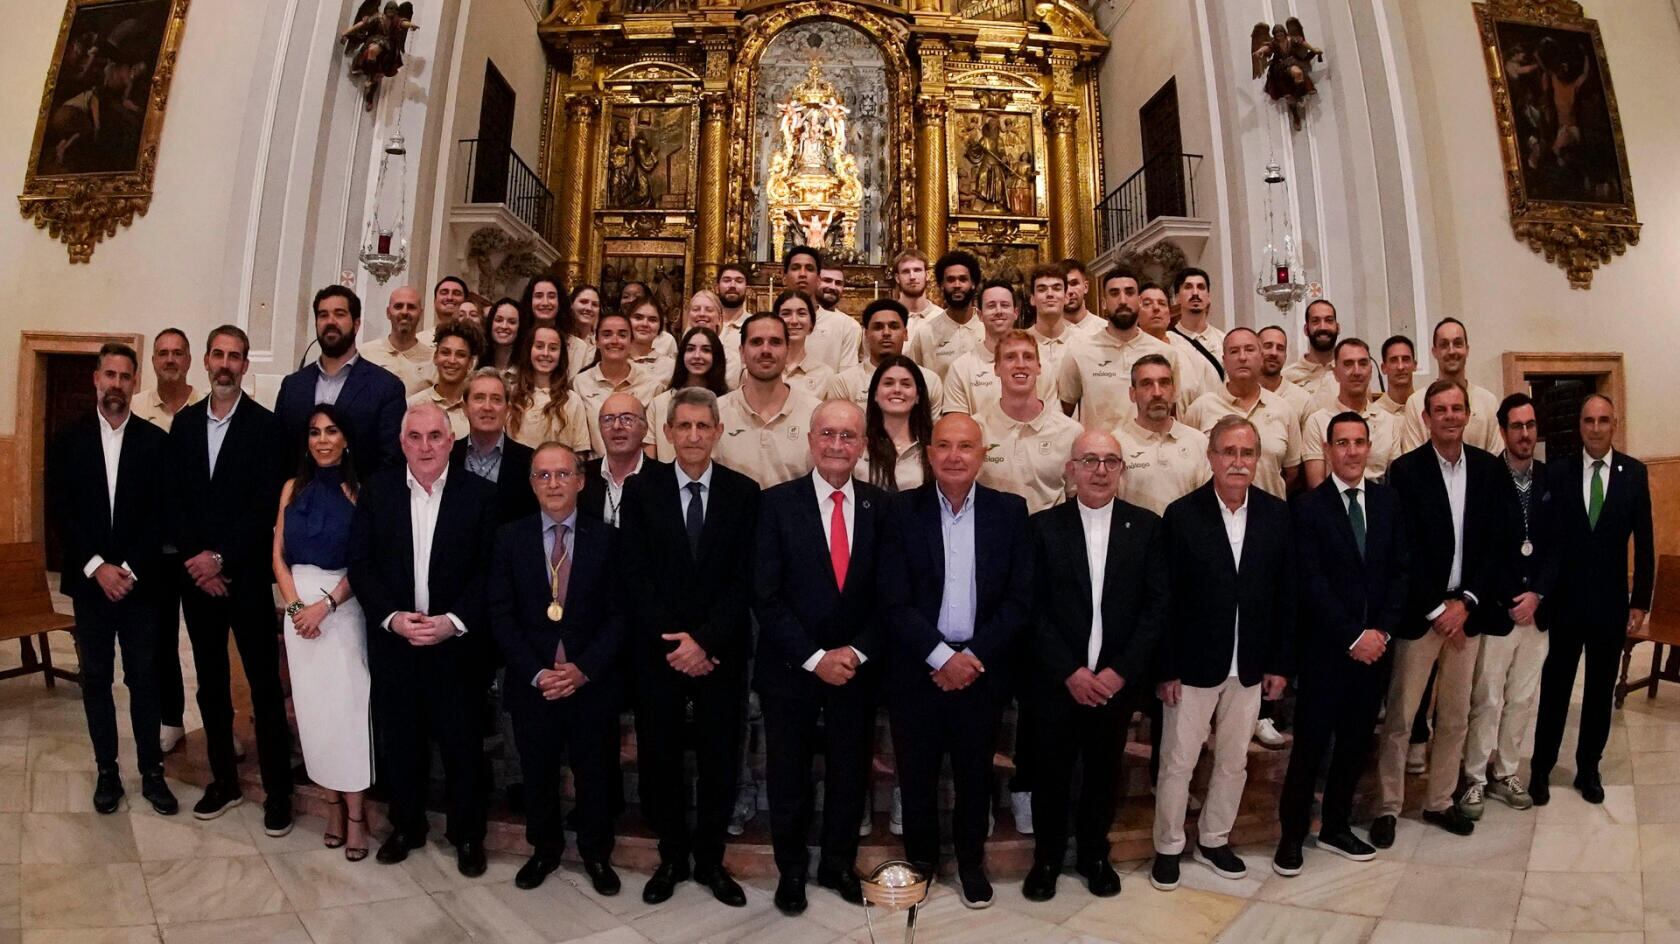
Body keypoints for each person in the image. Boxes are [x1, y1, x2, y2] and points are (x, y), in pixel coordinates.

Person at [880, 413, 1032, 909]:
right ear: (929, 454)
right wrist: (943, 657)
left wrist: (972, 658)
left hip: (981, 671)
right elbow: (893, 599)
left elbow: (1018, 601)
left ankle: (970, 864)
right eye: (943, 445)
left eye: (965, 446)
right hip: (918, 669)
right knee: (917, 775)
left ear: (982, 454)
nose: (953, 456)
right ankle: (921, 865)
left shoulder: (1010, 511)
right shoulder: (901, 511)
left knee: (974, 776)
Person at [618, 387, 760, 907]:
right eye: (685, 427)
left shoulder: (745, 493)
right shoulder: (641, 490)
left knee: (722, 758)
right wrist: (678, 642)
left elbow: (746, 579)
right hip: (660, 652)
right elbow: (634, 575)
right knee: (660, 757)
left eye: (704, 426)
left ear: (718, 432)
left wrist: (705, 641)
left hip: (720, 653)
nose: (695, 436)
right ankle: (672, 856)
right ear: (669, 432)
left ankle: (710, 859)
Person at [349, 402, 498, 876]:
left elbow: (489, 571)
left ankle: (467, 835)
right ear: (402, 442)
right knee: (401, 742)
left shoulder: (480, 496)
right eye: (415, 436)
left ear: (451, 441)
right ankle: (406, 826)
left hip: (457, 647)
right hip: (397, 644)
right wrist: (392, 618)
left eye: (435, 436)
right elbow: (362, 565)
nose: (426, 446)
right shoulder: (377, 491)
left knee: (462, 746)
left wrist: (453, 621)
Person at [1373, 379, 1520, 845]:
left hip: (1467, 612)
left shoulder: (1488, 470)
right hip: (1422, 615)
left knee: (1456, 716)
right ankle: (1389, 806)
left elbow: (1495, 543)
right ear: (1427, 417)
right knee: (1401, 717)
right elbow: (1403, 550)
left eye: (1458, 409)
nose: (1451, 417)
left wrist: (1468, 602)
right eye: (1441, 410)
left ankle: (1438, 801)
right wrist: (1437, 607)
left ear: (1468, 414)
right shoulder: (1405, 471)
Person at [1021, 431, 1167, 902]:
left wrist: (1118, 672)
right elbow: (1032, 608)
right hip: (1056, 682)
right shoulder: (1042, 528)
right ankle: (1046, 858)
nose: (1100, 470)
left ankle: (1093, 854)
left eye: (1110, 461)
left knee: (1104, 773)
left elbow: (1155, 608)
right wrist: (1070, 671)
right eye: (1090, 460)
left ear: (1122, 470)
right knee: (1051, 774)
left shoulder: (1147, 527)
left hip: (1115, 684)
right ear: (1072, 469)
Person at [1150, 416, 1293, 892]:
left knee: (1234, 760)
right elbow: (1164, 598)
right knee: (1178, 761)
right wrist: (1165, 667)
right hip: (1191, 665)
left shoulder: (1276, 514)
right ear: (1210, 457)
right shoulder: (1182, 514)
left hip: (1249, 663)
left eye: (1247, 452)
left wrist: (1278, 663)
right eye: (1228, 452)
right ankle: (1168, 846)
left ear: (1257, 460)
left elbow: (1282, 595)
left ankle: (1214, 839)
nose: (1237, 461)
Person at [755, 400, 884, 914]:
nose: (836, 445)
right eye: (827, 434)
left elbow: (889, 595)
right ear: (810, 440)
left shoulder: (881, 507)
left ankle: (836, 864)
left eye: (848, 436)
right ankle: (791, 870)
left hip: (857, 668)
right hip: (791, 668)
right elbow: (765, 595)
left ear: (862, 445)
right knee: (788, 773)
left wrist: (851, 652)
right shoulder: (775, 504)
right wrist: (814, 657)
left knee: (850, 773)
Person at [168, 325, 294, 832]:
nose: (225, 364)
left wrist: (221, 557)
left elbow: (266, 508)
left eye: (234, 357)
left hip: (242, 578)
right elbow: (174, 501)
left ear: (245, 366)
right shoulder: (184, 425)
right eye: (217, 355)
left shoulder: (267, 429)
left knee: (265, 687)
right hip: (198, 582)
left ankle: (279, 793)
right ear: (205, 361)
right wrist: (198, 563)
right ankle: (224, 780)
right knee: (212, 685)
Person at [45, 342, 178, 816]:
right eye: (109, 375)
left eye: (125, 377)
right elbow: (62, 513)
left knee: (144, 678)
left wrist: (130, 570)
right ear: (95, 380)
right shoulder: (68, 439)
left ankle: (152, 772)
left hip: (141, 586)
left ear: (134, 382)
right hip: (90, 585)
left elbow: (161, 517)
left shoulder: (155, 441)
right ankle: (107, 771)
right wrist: (95, 567)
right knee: (97, 678)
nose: (117, 385)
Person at [1273, 412, 1407, 877]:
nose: (1351, 451)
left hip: (1376, 652)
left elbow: (1399, 575)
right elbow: (1310, 583)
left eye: (1359, 442)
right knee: (1311, 745)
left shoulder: (1389, 503)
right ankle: (1292, 835)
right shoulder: (1307, 509)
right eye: (1342, 443)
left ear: (1370, 447)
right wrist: (1353, 635)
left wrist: (1382, 633)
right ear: (1328, 450)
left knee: (1354, 743)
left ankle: (1335, 825)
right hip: (1327, 651)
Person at [490, 443, 626, 895]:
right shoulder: (509, 539)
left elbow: (619, 615)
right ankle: (544, 848)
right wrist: (535, 671)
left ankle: (596, 853)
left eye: (562, 474)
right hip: (535, 683)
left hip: (590, 682)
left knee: (595, 773)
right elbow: (501, 615)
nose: (553, 484)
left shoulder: (606, 540)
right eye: (543, 475)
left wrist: (584, 669)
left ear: (581, 480)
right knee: (538, 771)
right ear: (531, 483)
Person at [1529, 394, 1654, 805]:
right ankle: (1541, 769)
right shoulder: (1558, 473)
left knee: (1599, 691)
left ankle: (1588, 769)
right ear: (1579, 426)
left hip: (1610, 604)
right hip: (1565, 603)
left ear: (1614, 424)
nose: (1596, 428)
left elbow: (1646, 543)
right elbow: (1548, 540)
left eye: (1603, 420)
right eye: (1588, 421)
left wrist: (1640, 603)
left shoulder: (1633, 473)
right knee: (1557, 688)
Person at [271, 405, 373, 861]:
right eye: (314, 432)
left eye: (332, 430)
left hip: (342, 611)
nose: (323, 439)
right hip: (298, 617)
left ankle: (356, 816)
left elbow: (366, 562)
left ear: (346, 438)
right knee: (312, 716)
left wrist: (325, 605)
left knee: (348, 715)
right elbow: (278, 557)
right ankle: (330, 807)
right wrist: (296, 608)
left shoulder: (358, 491)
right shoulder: (292, 488)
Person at [1460, 393, 1549, 818]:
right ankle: (1475, 776)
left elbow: (1559, 547)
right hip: (1497, 611)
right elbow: (1479, 549)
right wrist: (1505, 598)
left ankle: (1507, 770)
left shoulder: (1551, 480)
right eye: (1517, 426)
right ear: (1502, 430)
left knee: (1523, 698)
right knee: (1488, 699)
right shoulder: (1484, 479)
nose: (1525, 433)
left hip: (1537, 611)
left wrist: (1538, 595)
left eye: (1530, 425)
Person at [129, 327, 202, 755]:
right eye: (162, 353)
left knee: (209, 642)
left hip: (197, 550)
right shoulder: (137, 409)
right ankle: (170, 719)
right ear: (153, 362)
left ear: (190, 360)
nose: (170, 359)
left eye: (177, 352)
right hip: (153, 550)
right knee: (159, 641)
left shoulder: (208, 407)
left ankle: (218, 726)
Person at [276, 285, 407, 480]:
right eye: (323, 315)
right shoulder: (293, 386)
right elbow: (279, 454)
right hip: (300, 503)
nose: (330, 322)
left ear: (356, 324)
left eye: (339, 314)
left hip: (360, 504)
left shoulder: (386, 387)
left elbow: (391, 461)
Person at [1183, 328, 1303, 499]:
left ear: (1261, 357)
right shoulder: (1200, 408)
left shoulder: (1283, 409)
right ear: (1224, 360)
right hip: (1212, 516)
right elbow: (1190, 467)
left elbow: (1292, 472)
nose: (1242, 357)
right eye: (1234, 351)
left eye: (1249, 349)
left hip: (1269, 516)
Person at [975, 329, 1083, 514]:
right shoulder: (976, 429)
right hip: (994, 538)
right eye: (1010, 357)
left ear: (1039, 367)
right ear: (996, 368)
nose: (1020, 364)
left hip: (1049, 539)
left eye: (1028, 357)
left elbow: (1076, 497)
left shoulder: (1070, 432)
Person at [1059, 275, 1182, 431]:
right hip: (1100, 453)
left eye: (1129, 292)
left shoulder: (1166, 353)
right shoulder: (1079, 352)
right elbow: (1063, 416)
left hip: (1152, 451)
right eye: (1114, 293)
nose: (1123, 300)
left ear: (1139, 301)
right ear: (1103, 303)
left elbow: (1171, 414)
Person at [714, 312, 823, 488]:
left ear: (788, 350)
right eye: (756, 342)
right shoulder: (716, 413)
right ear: (742, 352)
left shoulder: (815, 413)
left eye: (775, 342)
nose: (765, 350)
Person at [1113, 354, 1211, 517]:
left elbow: (1208, 505)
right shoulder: (1116, 443)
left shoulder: (1198, 442)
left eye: (1164, 383)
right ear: (1132, 393)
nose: (1157, 393)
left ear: (1173, 390)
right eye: (1147, 384)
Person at [946, 281, 1055, 416]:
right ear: (980, 315)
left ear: (1015, 312)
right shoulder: (960, 368)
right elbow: (957, 426)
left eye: (1005, 305)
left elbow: (1053, 422)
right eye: (991, 306)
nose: (999, 311)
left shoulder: (1042, 365)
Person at [1301, 338, 1400, 486]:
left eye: (1363, 363)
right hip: (1331, 505)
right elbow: (1316, 486)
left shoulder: (1389, 422)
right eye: (1348, 364)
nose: (1357, 371)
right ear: (1335, 373)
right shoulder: (1317, 422)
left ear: (1371, 370)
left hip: (1379, 504)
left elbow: (1395, 481)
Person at [1399, 318, 1504, 453]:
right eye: (1444, 345)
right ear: (1434, 352)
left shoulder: (1488, 402)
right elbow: (1412, 464)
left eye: (1458, 344)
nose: (1451, 351)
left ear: (1467, 349)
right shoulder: (1416, 403)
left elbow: (1495, 463)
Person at [827, 299, 944, 415]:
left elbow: (932, 430)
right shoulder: (843, 383)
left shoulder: (929, 380)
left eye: (894, 326)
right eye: (878, 327)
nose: (886, 333)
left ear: (905, 334)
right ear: (866, 335)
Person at [452, 368, 538, 524]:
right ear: (464, 408)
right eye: (479, 398)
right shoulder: (448, 456)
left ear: (507, 409)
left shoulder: (529, 461)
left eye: (496, 399)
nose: (487, 407)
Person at [575, 312, 665, 455]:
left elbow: (653, 441)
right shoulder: (580, 383)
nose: (615, 340)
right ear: (596, 341)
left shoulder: (652, 386)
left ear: (631, 341)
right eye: (607, 334)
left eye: (622, 335)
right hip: (594, 470)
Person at [646, 326, 729, 461]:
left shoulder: (728, 403)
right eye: (690, 349)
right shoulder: (660, 403)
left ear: (716, 356)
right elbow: (650, 461)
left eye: (706, 350)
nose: (697, 356)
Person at [509, 324, 591, 454]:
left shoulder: (572, 400)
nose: (545, 353)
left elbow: (579, 453)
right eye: (539, 347)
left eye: (553, 348)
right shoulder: (512, 397)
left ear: (561, 355)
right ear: (529, 351)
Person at [581, 392, 661, 525]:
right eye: (608, 419)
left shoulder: (663, 479)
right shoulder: (582, 476)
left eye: (627, 419)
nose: (617, 426)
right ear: (599, 428)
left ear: (645, 428)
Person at [858, 354, 935, 492]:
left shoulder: (933, 446)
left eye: (906, 384)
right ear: (875, 394)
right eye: (888, 383)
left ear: (918, 396)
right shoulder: (859, 444)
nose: (897, 390)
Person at [905, 250, 985, 379]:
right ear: (941, 285)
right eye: (950, 280)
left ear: (973, 284)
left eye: (963, 279)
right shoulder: (926, 334)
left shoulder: (988, 328)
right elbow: (914, 380)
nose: (957, 285)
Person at [407, 321, 481, 438]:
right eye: (445, 352)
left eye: (460, 355)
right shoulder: (413, 405)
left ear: (470, 363)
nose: (452, 360)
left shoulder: (479, 409)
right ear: (435, 357)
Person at [361, 286, 437, 396]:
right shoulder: (365, 354)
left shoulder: (434, 359)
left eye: (411, 307)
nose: (405, 312)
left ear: (420, 313)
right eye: (398, 306)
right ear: (388, 312)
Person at [772, 288, 837, 399]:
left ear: (811, 324)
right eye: (786, 314)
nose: (794, 321)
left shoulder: (825, 375)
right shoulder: (762, 368)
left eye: (801, 314)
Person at [1024, 264, 1074, 391]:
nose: (1050, 294)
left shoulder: (1084, 342)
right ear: (1032, 299)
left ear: (1067, 297)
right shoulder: (1020, 343)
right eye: (1042, 289)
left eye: (1057, 288)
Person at [1168, 268, 1225, 379]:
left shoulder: (1223, 340)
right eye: (1188, 287)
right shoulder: (1167, 340)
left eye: (1201, 287)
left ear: (1208, 296)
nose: (1195, 293)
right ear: (1177, 297)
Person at [1281, 298, 1340, 399]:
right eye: (1315, 321)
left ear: (1338, 328)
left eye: (1329, 320)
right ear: (1306, 330)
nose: (1323, 327)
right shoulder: (1287, 377)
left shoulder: (1351, 373)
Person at [808, 263, 863, 372]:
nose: (833, 287)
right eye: (827, 280)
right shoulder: (798, 319)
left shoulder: (851, 326)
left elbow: (847, 374)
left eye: (838, 283)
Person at [682, 290, 740, 386]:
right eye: (696, 309)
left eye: (709, 310)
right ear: (688, 315)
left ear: (719, 318)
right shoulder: (682, 350)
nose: (702, 314)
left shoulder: (731, 359)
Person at [1257, 325, 1315, 421]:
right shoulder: (1242, 395)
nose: (1274, 353)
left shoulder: (1302, 400)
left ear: (1285, 356)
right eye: (1268, 346)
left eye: (1280, 348)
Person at [627, 295, 677, 379]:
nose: (645, 324)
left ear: (660, 326)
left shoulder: (671, 367)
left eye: (652, 320)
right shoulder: (613, 359)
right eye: (638, 318)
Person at [891, 249, 943, 331]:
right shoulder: (887, 317)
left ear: (927, 275)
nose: (912, 277)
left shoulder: (941, 317)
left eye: (917, 270)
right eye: (906, 272)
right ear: (897, 278)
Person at [557, 283, 599, 377]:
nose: (589, 308)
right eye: (583, 302)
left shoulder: (600, 344)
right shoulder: (560, 338)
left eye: (595, 304)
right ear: (571, 304)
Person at [479, 297, 529, 372]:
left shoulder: (527, 368)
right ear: (491, 323)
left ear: (520, 327)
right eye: (499, 320)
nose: (504, 326)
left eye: (512, 322)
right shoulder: (477, 363)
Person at [1372, 335, 1416, 416]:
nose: (1400, 367)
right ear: (1383, 368)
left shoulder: (1427, 408)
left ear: (1415, 365)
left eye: (1405, 359)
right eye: (1393, 360)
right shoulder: (1373, 415)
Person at [715, 262, 753, 354]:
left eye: (739, 281)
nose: (732, 285)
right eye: (727, 280)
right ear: (716, 288)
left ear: (748, 290)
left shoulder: (755, 326)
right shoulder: (708, 324)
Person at [1059, 259, 1105, 336]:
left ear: (1085, 287)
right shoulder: (1045, 335)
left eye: (1074, 283)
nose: (1069, 291)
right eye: (1063, 285)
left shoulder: (1104, 330)